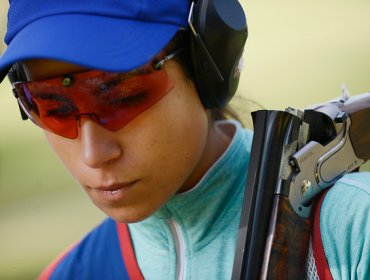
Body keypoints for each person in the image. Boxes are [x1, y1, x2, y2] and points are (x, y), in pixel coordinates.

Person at [0, 1, 368, 280]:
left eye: (123, 96)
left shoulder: (355, 230)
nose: (93, 154)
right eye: (51, 106)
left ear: (209, 63)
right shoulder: (71, 273)